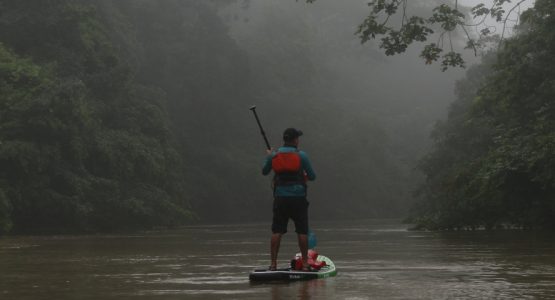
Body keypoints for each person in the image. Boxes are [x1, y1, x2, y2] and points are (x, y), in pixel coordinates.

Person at [262, 128, 316, 271]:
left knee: (277, 231)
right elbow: (312, 176)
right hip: (298, 199)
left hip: (280, 199)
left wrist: (269, 156)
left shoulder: (274, 155)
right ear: (295, 140)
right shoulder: (302, 156)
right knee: (302, 231)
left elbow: (264, 171)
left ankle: (273, 264)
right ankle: (305, 264)